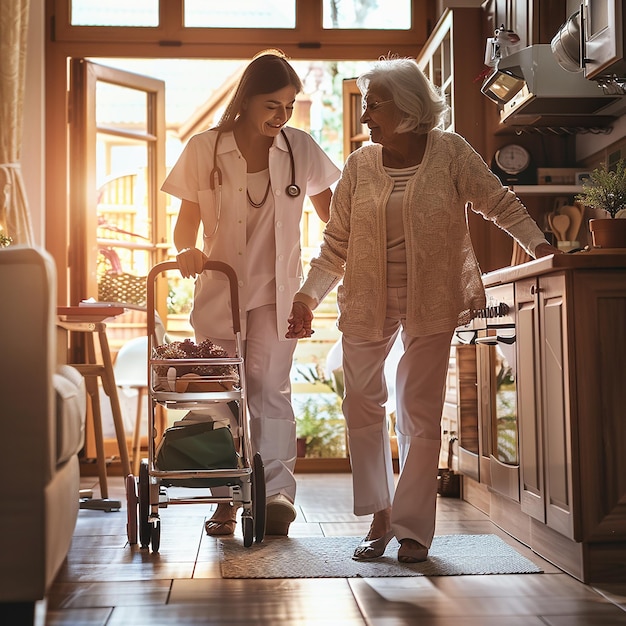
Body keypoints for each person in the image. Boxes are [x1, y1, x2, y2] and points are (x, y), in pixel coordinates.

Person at [286, 55, 560, 562]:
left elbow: (497, 203)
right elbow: (335, 244)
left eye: (373, 106)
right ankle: (380, 513)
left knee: (418, 408)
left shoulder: (451, 153)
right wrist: (307, 296)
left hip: (431, 298)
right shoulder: (360, 166)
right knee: (361, 404)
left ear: (407, 108)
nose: (365, 117)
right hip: (367, 298)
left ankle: (413, 527)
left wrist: (540, 245)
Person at [161, 50, 341, 537]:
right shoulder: (204, 148)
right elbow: (185, 228)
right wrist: (186, 253)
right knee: (220, 398)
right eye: (271, 106)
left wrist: (318, 285)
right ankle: (225, 500)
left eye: (288, 106)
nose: (280, 117)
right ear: (246, 100)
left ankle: (276, 495)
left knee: (270, 395)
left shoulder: (300, 149)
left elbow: (337, 222)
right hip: (221, 292)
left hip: (279, 296)